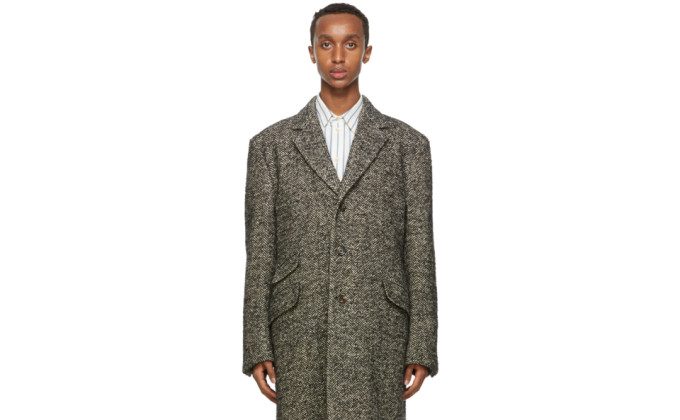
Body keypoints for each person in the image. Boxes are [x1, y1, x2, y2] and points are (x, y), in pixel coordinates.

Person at [242, 3, 438, 419]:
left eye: (350, 44)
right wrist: (256, 344)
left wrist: (422, 344)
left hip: (379, 331)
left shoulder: (408, 146)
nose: (337, 57)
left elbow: (419, 248)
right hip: (298, 331)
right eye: (326, 44)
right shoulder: (270, 146)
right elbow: (260, 252)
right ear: (311, 51)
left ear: (367, 52)